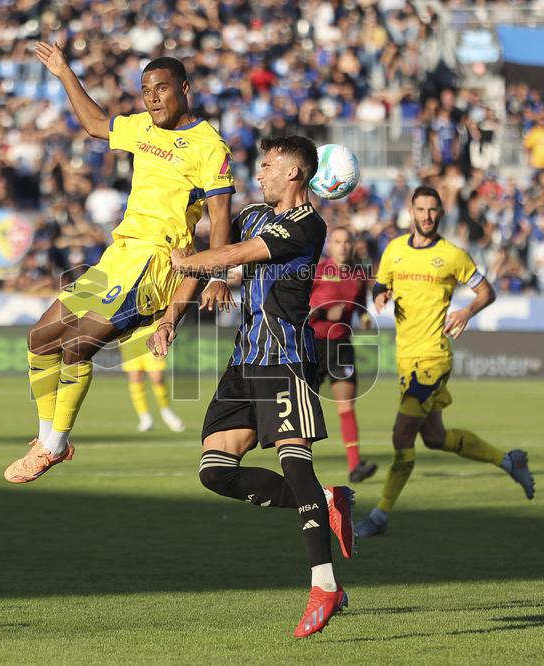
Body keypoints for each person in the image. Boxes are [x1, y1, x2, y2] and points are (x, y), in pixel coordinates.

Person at [150, 136, 353, 639]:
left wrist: (199, 263)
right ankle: (325, 499)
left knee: (292, 460)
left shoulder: (307, 224)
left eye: (267, 166)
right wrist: (173, 316)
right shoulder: (254, 213)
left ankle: (325, 585)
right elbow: (223, 251)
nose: (258, 174)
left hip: (284, 357)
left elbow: (237, 253)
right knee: (215, 472)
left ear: (295, 174)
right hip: (244, 359)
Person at [4, 47, 235, 483]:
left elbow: (221, 218)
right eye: (146, 90)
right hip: (118, 256)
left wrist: (217, 275)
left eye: (162, 88)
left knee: (78, 346)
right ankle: (48, 440)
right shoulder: (142, 128)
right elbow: (93, 124)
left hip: (155, 263)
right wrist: (64, 72)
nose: (152, 98)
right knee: (40, 339)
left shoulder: (209, 146)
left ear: (185, 90)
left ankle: (53, 446)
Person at [355, 186, 535, 538]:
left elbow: (487, 291)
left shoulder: (452, 255)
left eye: (433, 210)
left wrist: (467, 310)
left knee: (401, 433)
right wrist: (381, 296)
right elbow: (380, 283)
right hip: (406, 359)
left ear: (441, 212)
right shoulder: (394, 250)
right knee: (434, 437)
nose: (427, 216)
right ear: (411, 211)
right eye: (421, 209)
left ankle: (380, 515)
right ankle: (508, 460)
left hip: (433, 357)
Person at [308, 226, 378, 483]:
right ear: (330, 246)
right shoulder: (315, 271)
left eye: (347, 241)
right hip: (312, 344)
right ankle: (299, 466)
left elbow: (361, 307)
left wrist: (364, 317)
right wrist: (325, 313)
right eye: (338, 241)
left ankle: (355, 466)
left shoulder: (359, 275)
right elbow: (301, 307)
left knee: (346, 406)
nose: (343, 246)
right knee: (304, 407)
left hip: (340, 346)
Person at [119, 321, 186, 433]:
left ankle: (166, 411)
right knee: (135, 378)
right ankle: (144, 417)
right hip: (128, 337)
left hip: (151, 333)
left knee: (157, 378)